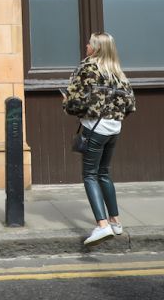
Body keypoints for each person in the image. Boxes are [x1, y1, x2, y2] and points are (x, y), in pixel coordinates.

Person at [62, 32, 136, 246]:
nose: (86, 46)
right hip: (114, 128)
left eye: (90, 44)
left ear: (96, 48)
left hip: (94, 128)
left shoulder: (88, 68)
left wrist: (66, 102)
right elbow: (131, 103)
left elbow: (77, 100)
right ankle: (115, 221)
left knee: (90, 175)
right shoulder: (117, 71)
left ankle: (102, 225)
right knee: (104, 172)